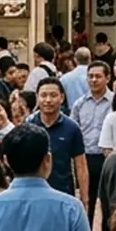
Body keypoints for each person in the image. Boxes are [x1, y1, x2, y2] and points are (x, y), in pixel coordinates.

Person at [29, 76, 88, 204]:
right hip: (34, 194)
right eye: (43, 95)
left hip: (63, 193)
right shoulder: (29, 125)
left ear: (62, 98)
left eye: (53, 95)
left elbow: (81, 165)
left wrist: (84, 199)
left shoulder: (72, 128)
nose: (48, 100)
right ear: (37, 98)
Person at [70, 60, 113, 221]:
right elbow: (73, 130)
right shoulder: (79, 104)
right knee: (86, 200)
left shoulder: (115, 103)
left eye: (98, 76)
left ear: (107, 78)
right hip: (85, 159)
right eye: (90, 76)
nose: (93, 80)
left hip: (106, 158)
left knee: (108, 201)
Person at [61, 46, 92, 110]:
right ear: (90, 59)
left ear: (75, 59)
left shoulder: (64, 78)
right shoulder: (96, 77)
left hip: (71, 112)